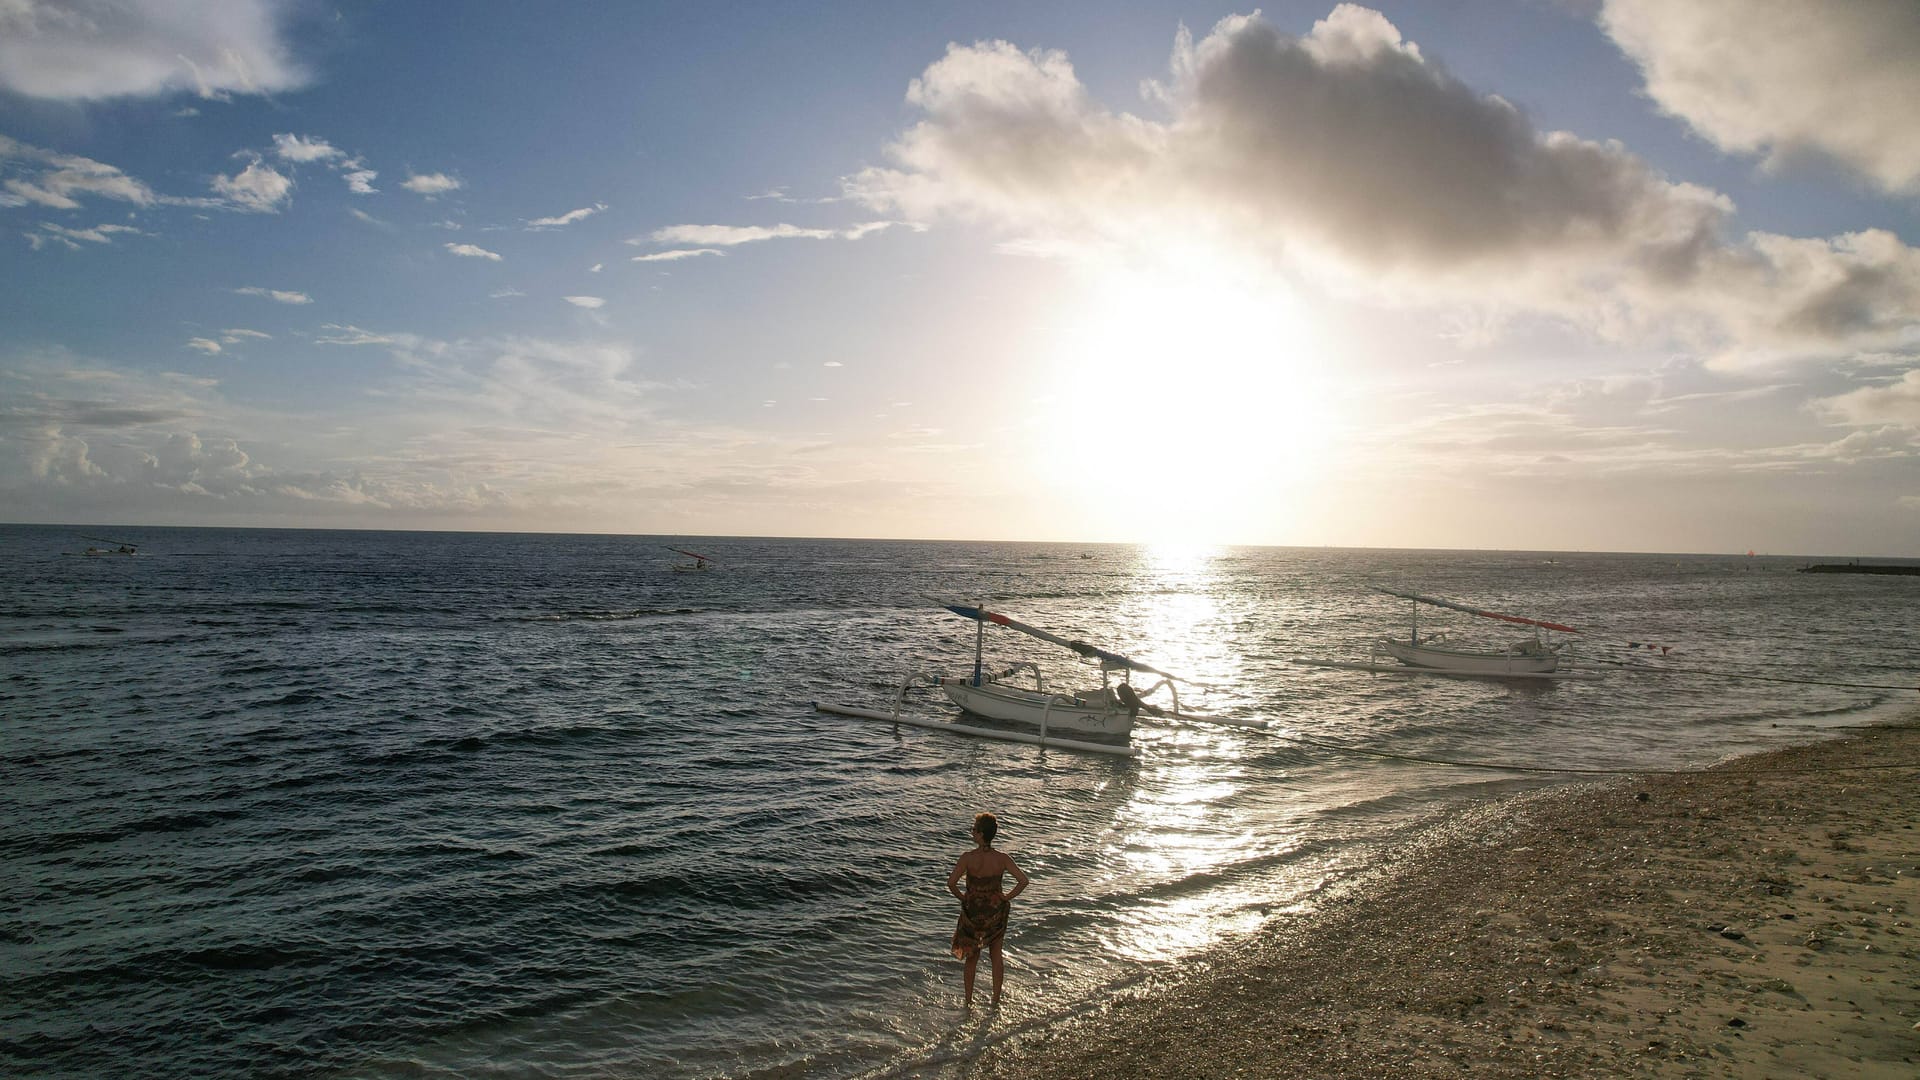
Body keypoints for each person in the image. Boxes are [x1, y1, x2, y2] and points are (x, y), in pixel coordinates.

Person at [947, 811, 1028, 1008]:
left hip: (973, 913)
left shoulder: (967, 858)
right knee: (996, 955)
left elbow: (951, 884)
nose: (972, 832)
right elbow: (1023, 881)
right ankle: (995, 1000)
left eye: (974, 830)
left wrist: (965, 898)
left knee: (971, 958)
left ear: (981, 834)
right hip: (995, 911)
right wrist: (1005, 897)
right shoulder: (1002, 859)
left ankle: (968, 1002)